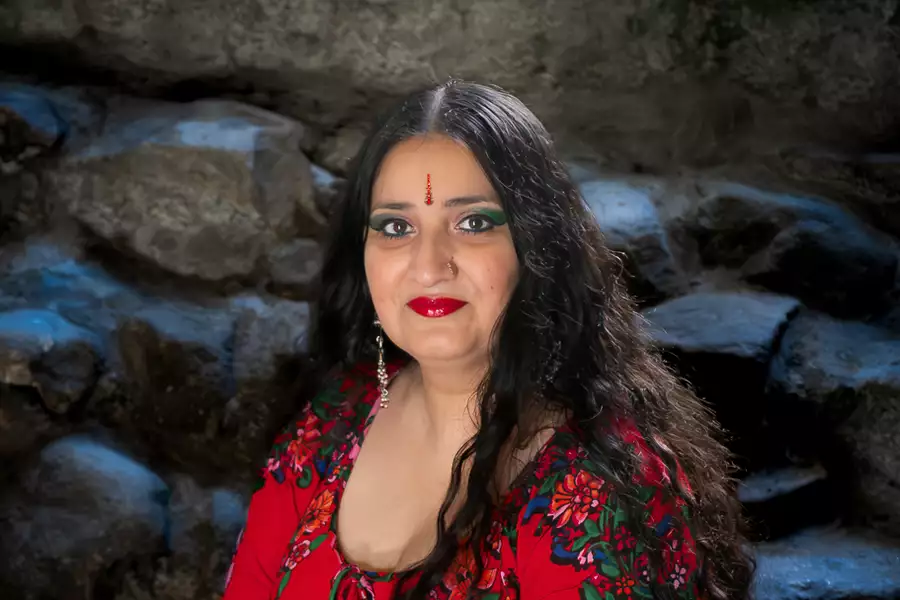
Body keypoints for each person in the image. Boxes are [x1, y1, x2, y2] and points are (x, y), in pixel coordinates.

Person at [222, 79, 754, 600]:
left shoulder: (594, 494)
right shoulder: (337, 416)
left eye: (473, 223)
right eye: (395, 228)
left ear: (536, 248)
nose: (429, 267)